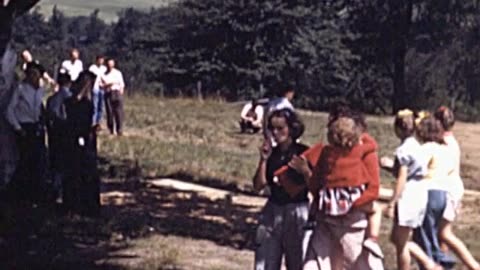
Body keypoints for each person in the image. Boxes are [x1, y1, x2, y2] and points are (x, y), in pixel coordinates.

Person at [300, 117, 381, 270]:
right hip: (352, 212)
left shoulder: (326, 153)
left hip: (328, 211)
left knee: (322, 259)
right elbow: (372, 147)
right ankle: (373, 238)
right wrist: (353, 205)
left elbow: (315, 184)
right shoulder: (360, 152)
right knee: (375, 211)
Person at [381, 110, 442, 270]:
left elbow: (402, 178)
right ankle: (429, 264)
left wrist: (392, 202)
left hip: (408, 194)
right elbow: (410, 171)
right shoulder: (417, 146)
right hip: (420, 192)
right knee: (398, 238)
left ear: (398, 128)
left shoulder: (404, 150)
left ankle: (427, 265)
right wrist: (391, 167)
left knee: (401, 244)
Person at [421, 109, 479, 270]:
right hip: (450, 189)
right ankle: (443, 263)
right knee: (442, 233)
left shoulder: (444, 144)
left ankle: (473, 265)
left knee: (444, 233)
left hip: (448, 189)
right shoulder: (449, 141)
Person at [253, 109, 310, 270]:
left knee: (297, 261)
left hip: (296, 208)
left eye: (281, 128)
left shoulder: (303, 152)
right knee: (265, 260)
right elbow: (259, 185)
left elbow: (315, 185)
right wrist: (263, 160)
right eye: (272, 129)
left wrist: (305, 171)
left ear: (291, 128)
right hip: (274, 208)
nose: (276, 133)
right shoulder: (272, 154)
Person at [5, 63, 47, 203]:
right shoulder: (21, 89)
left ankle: (35, 194)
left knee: (37, 161)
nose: (35, 77)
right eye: (32, 74)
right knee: (25, 161)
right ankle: (17, 193)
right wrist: (18, 128)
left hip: (36, 127)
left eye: (37, 74)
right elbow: (9, 110)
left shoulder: (40, 91)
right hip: (25, 127)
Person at [63, 71, 100, 215]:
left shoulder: (86, 103)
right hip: (77, 139)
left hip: (84, 138)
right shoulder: (76, 103)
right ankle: (78, 205)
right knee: (78, 172)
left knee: (84, 173)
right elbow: (75, 121)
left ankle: (84, 205)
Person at [46, 72, 72, 201]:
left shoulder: (51, 100)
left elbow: (48, 118)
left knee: (56, 164)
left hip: (54, 135)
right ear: (69, 83)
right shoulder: (72, 99)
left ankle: (55, 192)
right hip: (68, 135)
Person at [101, 58, 125, 136]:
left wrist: (121, 91)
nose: (110, 66)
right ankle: (111, 130)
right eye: (108, 64)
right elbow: (101, 85)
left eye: (111, 64)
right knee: (110, 112)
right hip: (108, 93)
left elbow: (121, 83)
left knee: (119, 112)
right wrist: (108, 84)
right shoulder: (103, 74)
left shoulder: (118, 73)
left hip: (117, 92)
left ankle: (119, 130)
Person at [88, 55, 107, 128]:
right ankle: (93, 122)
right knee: (94, 106)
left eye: (102, 60)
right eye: (99, 60)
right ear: (97, 60)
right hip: (94, 88)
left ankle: (99, 123)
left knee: (101, 107)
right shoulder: (92, 68)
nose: (101, 61)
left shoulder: (104, 69)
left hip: (102, 89)